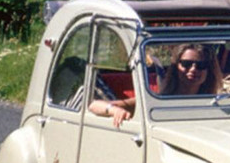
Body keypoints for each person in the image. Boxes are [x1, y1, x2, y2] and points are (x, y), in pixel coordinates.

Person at [90, 44, 221, 125]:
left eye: (201, 65)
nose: (193, 69)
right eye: (186, 64)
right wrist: (114, 110)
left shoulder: (214, 104)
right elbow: (93, 105)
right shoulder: (158, 100)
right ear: (176, 67)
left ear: (208, 70)